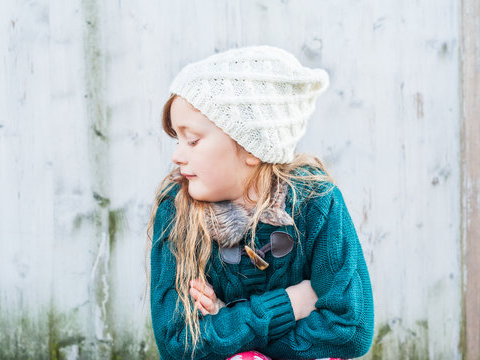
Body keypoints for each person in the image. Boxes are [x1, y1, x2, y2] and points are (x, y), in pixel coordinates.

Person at [146, 45, 374, 360]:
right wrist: (293, 303)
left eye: (193, 140)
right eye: (177, 139)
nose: (177, 155)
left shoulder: (315, 201)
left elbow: (351, 329)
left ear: (251, 149)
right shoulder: (176, 210)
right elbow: (179, 344)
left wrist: (227, 325)